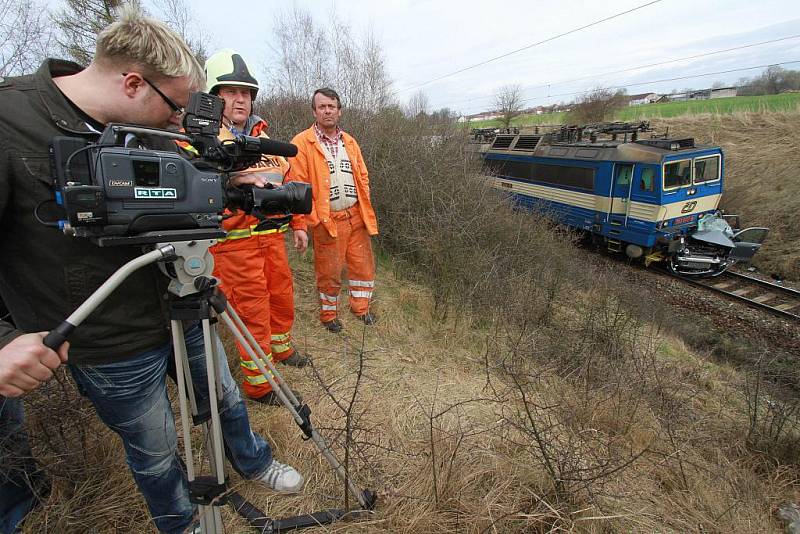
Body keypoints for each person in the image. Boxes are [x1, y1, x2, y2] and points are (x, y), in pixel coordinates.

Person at [0, 9, 302, 534]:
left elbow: (171, 193)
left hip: (185, 302)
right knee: (156, 444)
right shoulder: (11, 123)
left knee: (225, 395)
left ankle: (251, 461)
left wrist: (231, 184)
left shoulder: (150, 126)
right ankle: (181, 521)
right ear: (133, 82)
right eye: (175, 108)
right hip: (107, 337)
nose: (178, 122)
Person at [203, 49, 310, 405]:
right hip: (233, 248)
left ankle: (281, 351)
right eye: (231, 91)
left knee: (282, 300)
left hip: (271, 241)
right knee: (253, 314)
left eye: (246, 93)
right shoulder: (204, 141)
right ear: (213, 96)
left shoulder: (265, 140)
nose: (241, 99)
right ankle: (261, 387)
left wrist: (299, 224)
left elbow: (290, 182)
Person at [287, 88, 379, 333]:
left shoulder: (349, 141)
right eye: (322, 107)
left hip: (356, 216)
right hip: (328, 221)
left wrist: (364, 202)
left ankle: (361, 308)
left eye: (332, 106)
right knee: (329, 270)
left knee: (362, 266)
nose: (327, 111)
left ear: (339, 111)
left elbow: (363, 175)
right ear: (314, 111)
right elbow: (296, 187)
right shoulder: (301, 143)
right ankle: (329, 315)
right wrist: (303, 223)